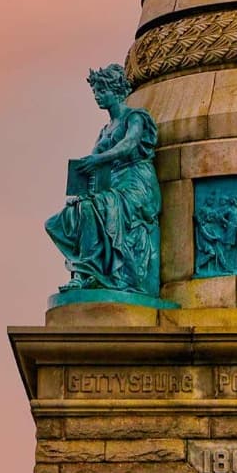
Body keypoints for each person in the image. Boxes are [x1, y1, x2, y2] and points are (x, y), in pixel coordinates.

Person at [46, 64, 163, 299]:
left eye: (102, 90)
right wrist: (80, 189)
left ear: (116, 89)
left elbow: (129, 145)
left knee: (93, 207)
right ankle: (87, 270)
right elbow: (92, 166)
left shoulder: (135, 117)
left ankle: (88, 273)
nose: (98, 96)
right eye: (96, 91)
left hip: (136, 182)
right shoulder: (104, 130)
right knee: (62, 218)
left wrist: (98, 159)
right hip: (112, 183)